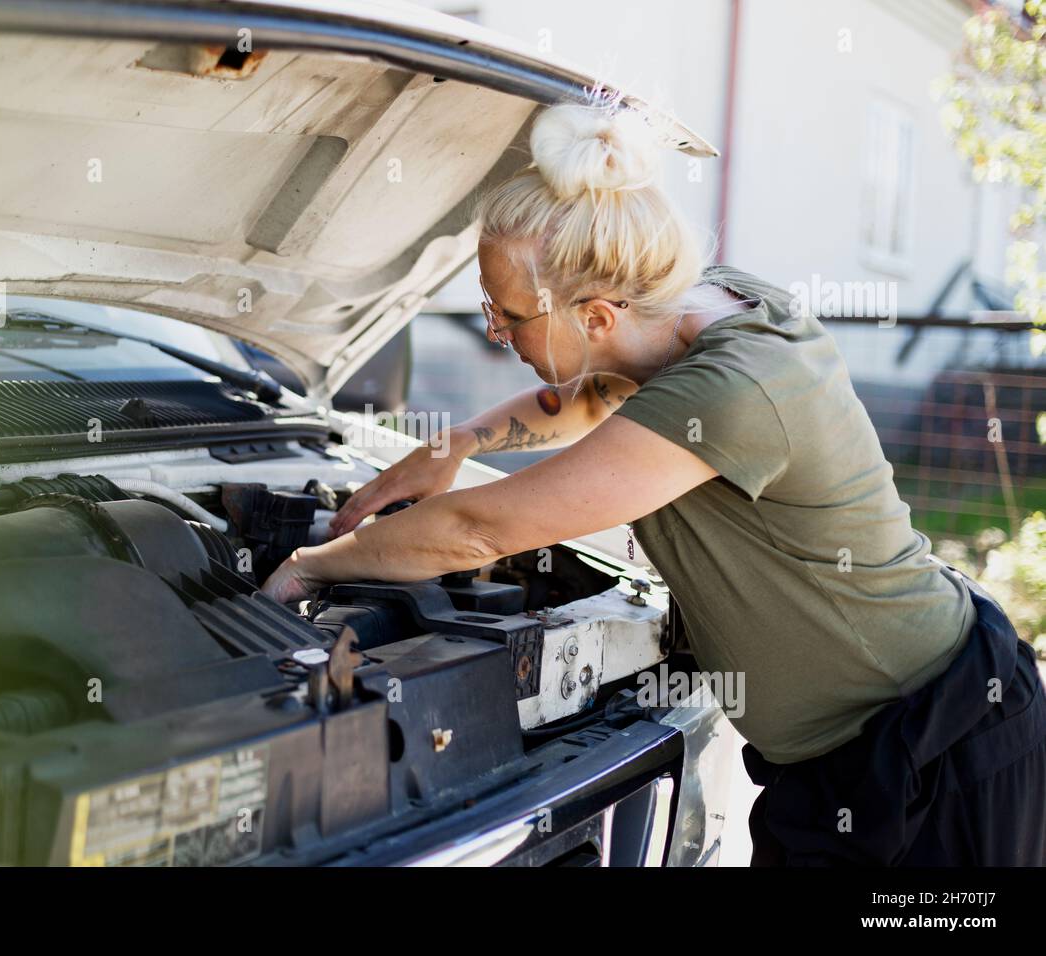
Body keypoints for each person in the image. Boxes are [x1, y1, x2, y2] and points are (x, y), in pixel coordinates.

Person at [262, 102, 1046, 865]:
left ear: (599, 314)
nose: (496, 336)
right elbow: (600, 390)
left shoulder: (734, 387)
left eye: (509, 318)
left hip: (935, 747)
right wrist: (463, 439)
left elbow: (481, 531)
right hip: (835, 762)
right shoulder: (682, 308)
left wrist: (310, 568)